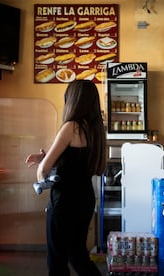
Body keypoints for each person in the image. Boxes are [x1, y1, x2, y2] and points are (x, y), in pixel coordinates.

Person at [25, 80, 106, 276]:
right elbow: (84, 163)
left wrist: (40, 176)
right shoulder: (96, 129)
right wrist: (46, 157)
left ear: (73, 100)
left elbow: (44, 170)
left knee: (57, 258)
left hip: (64, 200)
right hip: (85, 198)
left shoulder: (71, 126)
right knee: (77, 254)